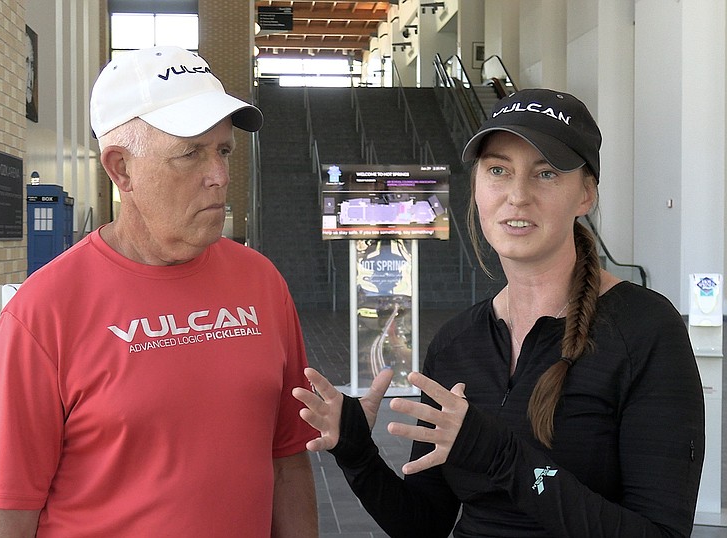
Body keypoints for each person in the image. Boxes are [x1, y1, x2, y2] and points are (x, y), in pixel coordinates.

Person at [294, 88, 705, 537]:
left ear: (585, 194)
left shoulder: (645, 329)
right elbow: (424, 523)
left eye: (545, 174)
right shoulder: (458, 343)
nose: (518, 196)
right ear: (476, 187)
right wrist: (358, 455)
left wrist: (502, 457)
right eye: (498, 171)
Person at [0, 46, 318, 537]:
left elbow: (288, 461)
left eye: (223, 150)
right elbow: (8, 510)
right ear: (121, 169)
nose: (218, 176)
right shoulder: (43, 312)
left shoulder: (262, 283)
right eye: (190, 153)